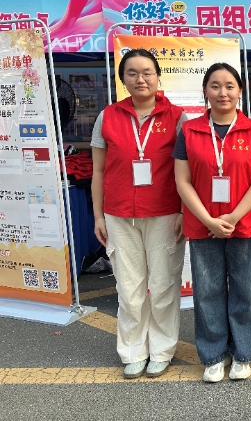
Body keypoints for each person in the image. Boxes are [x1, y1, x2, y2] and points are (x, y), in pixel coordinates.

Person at [173, 63, 251, 383]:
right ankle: (214, 355)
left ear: (240, 91)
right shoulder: (189, 131)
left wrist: (232, 217)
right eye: (215, 85)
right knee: (207, 291)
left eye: (229, 85)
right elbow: (182, 181)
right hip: (203, 225)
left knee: (245, 290)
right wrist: (208, 219)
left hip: (243, 224)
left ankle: (243, 353)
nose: (222, 92)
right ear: (205, 91)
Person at [91, 48, 187, 379]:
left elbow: (186, 172)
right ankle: (133, 350)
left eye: (147, 72)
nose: (140, 78)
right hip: (119, 215)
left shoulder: (177, 118)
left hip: (164, 214)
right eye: (132, 73)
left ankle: (162, 349)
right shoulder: (107, 117)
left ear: (158, 76)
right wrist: (98, 216)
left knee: (162, 286)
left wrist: (183, 211)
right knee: (129, 289)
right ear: (123, 79)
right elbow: (98, 171)